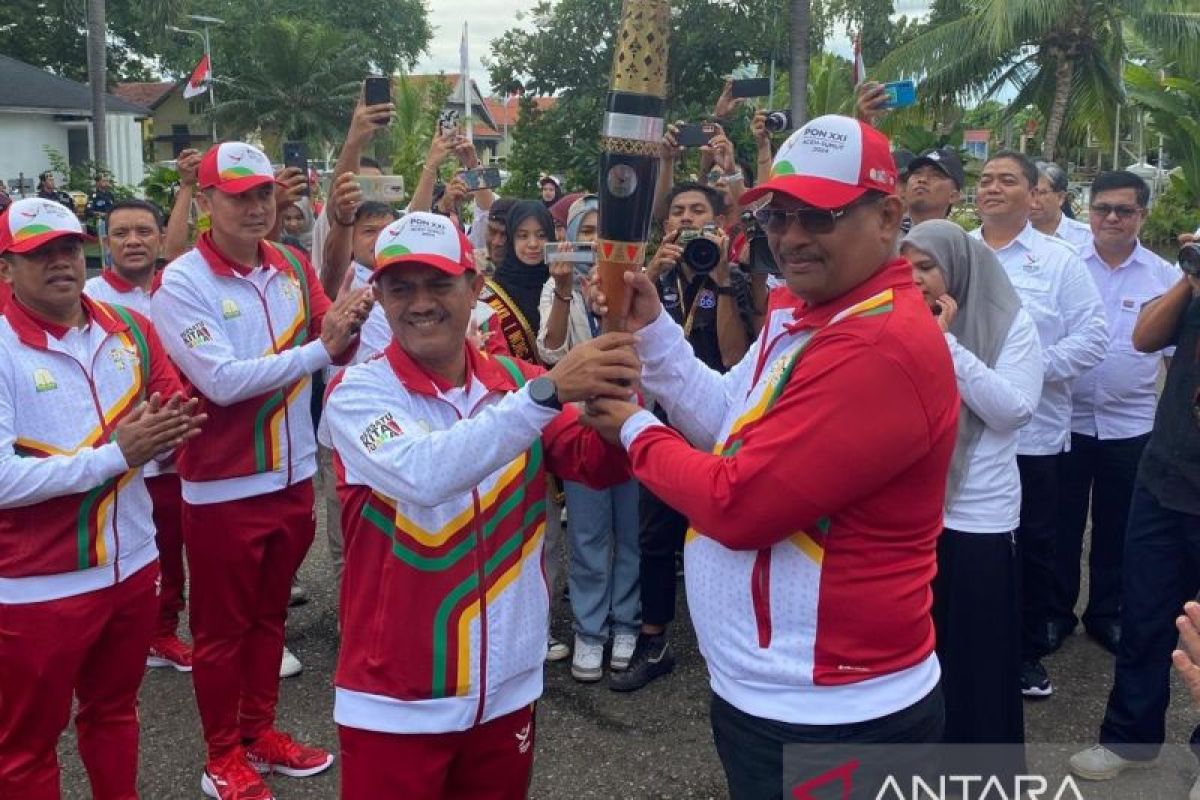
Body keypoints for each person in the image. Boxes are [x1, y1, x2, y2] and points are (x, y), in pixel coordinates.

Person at [584, 114, 959, 799]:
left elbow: (739, 503)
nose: (790, 237)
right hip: (776, 693)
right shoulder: (806, 315)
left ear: (887, 216)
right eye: (780, 217)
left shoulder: (876, 345)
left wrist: (634, 430)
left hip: (837, 710)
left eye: (819, 217)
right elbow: (724, 419)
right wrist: (655, 330)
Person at [323, 211, 638, 799]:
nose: (420, 304)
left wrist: (616, 385)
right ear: (382, 299)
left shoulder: (516, 382)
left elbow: (596, 463)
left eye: (439, 284)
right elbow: (424, 474)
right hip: (396, 699)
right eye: (401, 288)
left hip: (507, 688)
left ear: (474, 288)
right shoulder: (357, 393)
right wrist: (545, 394)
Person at [150, 141, 373, 800]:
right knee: (221, 633)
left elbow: (332, 342)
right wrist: (321, 348)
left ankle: (259, 734)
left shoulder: (291, 264)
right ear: (208, 200)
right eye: (238, 195)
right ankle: (222, 755)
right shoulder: (183, 280)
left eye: (262, 194)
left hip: (293, 474)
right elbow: (219, 382)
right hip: (222, 484)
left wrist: (350, 326)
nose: (254, 207)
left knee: (270, 620)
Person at [0, 196, 204, 799]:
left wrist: (166, 441)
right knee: (27, 746)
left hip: (132, 566)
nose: (60, 263)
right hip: (38, 585)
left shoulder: (132, 330)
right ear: (7, 266)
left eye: (67, 247)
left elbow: (174, 419)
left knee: (115, 715)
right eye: (40, 254)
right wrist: (118, 454)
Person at [903, 220, 1042, 766]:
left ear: (957, 268)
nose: (915, 280)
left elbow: (1013, 409)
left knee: (977, 662)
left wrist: (945, 346)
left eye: (927, 267)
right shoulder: (893, 323)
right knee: (919, 661)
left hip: (977, 516)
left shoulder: (1011, 322)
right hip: (911, 514)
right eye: (905, 265)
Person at [1067, 226, 1200, 791]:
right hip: (1166, 478)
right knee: (1144, 618)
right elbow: (1145, 339)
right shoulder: (1191, 291)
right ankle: (1130, 739)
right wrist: (1189, 279)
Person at [971, 150, 1108, 698]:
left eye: (1007, 179)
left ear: (1034, 195)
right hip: (962, 435)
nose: (992, 188)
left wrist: (1022, 373)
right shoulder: (958, 253)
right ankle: (963, 648)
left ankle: (1027, 653)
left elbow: (1094, 338)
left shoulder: (1060, 261)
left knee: (1031, 546)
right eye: (984, 179)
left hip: (1032, 436)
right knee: (965, 547)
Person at [612, 181, 756, 694]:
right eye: (678, 211)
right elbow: (621, 326)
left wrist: (718, 278)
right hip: (664, 418)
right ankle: (655, 639)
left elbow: (735, 354)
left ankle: (734, 641)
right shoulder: (658, 276)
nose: (688, 219)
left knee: (730, 529)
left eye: (699, 210)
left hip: (729, 420)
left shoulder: (734, 278)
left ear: (717, 222)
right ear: (666, 222)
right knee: (656, 534)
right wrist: (650, 274)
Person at [1053, 171, 1180, 657]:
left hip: (1131, 427)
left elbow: (1173, 358)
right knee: (1061, 526)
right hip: (1067, 421)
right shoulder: (1066, 266)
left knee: (1119, 528)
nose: (1111, 218)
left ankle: (1107, 614)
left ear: (1142, 215)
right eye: (1102, 208)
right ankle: (1055, 614)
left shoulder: (1165, 276)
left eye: (1123, 210)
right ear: (1088, 210)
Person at [82, 198, 195, 672]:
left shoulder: (177, 290)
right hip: (109, 457)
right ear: (107, 243)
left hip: (171, 450)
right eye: (122, 233)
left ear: (160, 239)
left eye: (144, 232)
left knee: (170, 546)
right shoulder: (88, 294)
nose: (133, 241)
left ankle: (162, 631)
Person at [536, 195, 641, 683]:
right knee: (588, 535)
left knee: (633, 532)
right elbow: (551, 353)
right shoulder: (558, 290)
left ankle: (627, 623)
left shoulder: (639, 287)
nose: (600, 241)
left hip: (638, 426)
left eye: (609, 231)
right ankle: (590, 631)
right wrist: (560, 290)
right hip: (583, 429)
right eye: (589, 231)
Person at [479, 199, 572, 662]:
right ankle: (498, 628)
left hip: (559, 418)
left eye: (541, 236)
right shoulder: (488, 297)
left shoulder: (565, 285)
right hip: (512, 417)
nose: (533, 245)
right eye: (523, 237)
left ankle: (543, 624)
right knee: (507, 527)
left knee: (550, 534)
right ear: (508, 241)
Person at [1032, 161, 1093, 252]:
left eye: (1041, 193)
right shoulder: (1012, 235)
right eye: (1029, 193)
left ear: (1060, 197)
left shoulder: (1087, 238)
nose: (1033, 201)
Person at [905, 148, 965, 227]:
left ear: (954, 196)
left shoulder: (959, 239)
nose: (922, 179)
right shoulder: (887, 234)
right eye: (917, 173)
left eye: (935, 176)